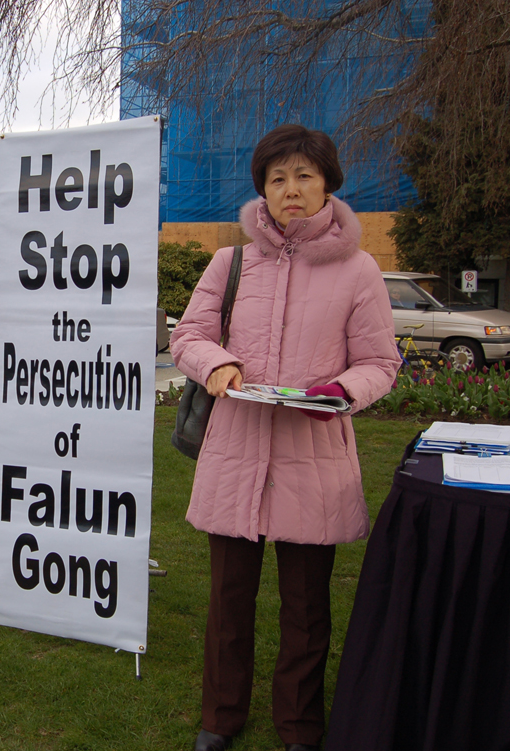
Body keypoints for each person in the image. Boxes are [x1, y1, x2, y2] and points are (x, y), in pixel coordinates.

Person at [171, 125, 399, 751]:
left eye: (303, 176)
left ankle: (299, 726)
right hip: (236, 449)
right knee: (228, 600)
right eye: (277, 179)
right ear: (262, 190)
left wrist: (340, 392)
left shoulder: (358, 270)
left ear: (327, 183)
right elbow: (188, 336)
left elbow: (380, 362)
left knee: (306, 607)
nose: (290, 189)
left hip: (313, 454)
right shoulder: (231, 262)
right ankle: (220, 718)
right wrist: (216, 365)